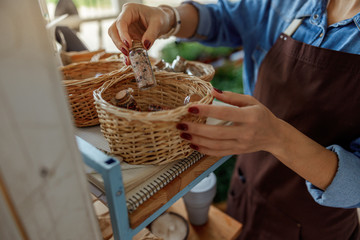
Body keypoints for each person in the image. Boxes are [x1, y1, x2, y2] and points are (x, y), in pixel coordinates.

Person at [108, 0, 360, 239]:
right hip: (247, 188)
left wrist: (278, 137)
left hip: (314, 224)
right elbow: (222, 17)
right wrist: (167, 17)